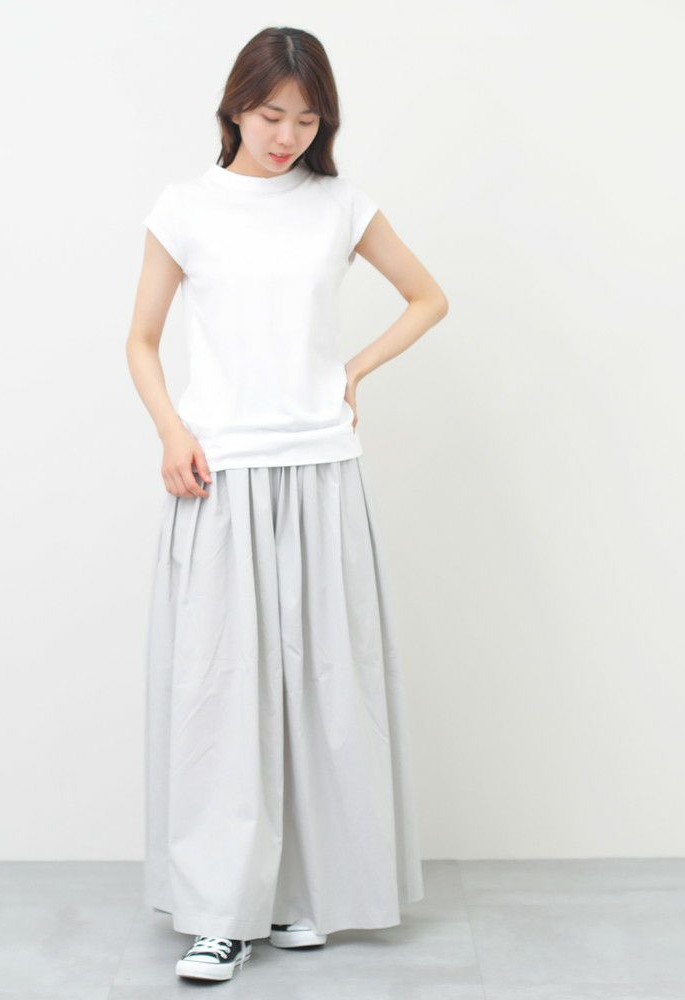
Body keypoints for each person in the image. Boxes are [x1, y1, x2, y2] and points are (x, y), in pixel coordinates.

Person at [126, 26, 449, 983]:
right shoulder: (185, 208)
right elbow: (141, 339)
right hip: (220, 474)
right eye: (272, 115)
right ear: (236, 107)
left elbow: (427, 297)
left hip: (320, 470)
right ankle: (219, 914)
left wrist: (351, 372)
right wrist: (172, 432)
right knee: (221, 696)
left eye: (308, 121)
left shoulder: (339, 205)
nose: (288, 137)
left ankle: (304, 896)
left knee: (324, 689)